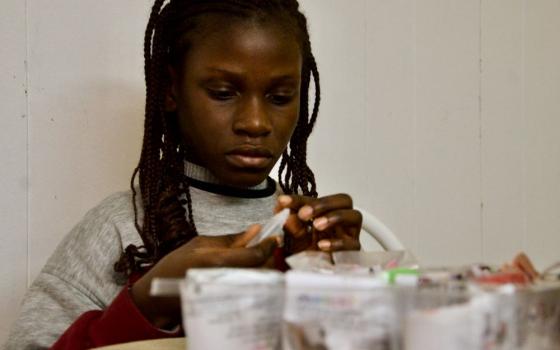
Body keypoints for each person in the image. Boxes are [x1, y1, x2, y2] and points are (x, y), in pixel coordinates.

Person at [4, 1, 362, 349]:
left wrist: (337, 286)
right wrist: (148, 305)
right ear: (172, 90)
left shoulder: (310, 235)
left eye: (281, 97)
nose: (255, 122)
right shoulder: (121, 227)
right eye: (223, 93)